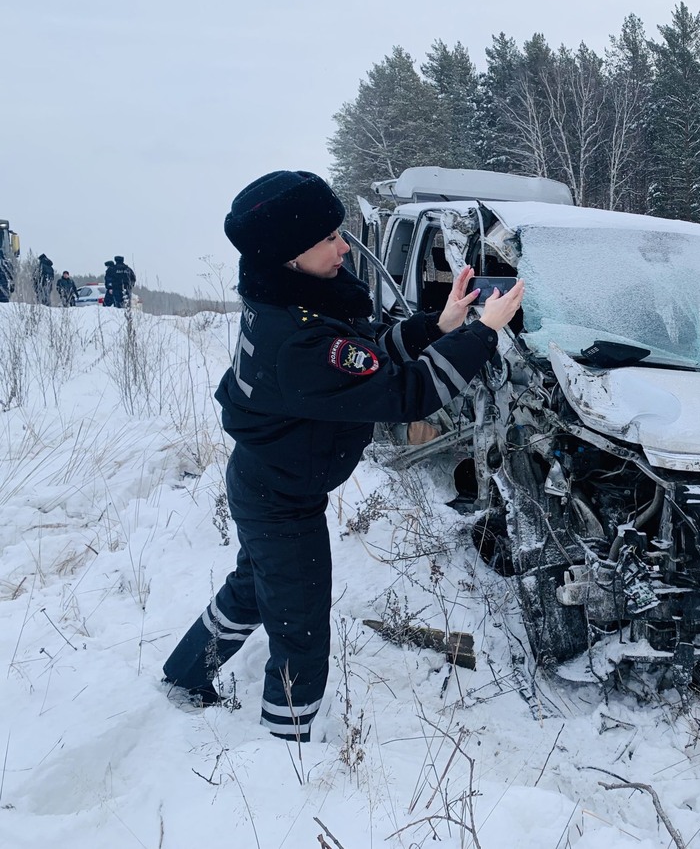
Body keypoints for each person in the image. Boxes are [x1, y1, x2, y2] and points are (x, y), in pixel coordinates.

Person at [161, 169, 524, 742]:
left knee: (254, 586)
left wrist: (440, 324)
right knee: (300, 629)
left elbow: (366, 352)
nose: (343, 247)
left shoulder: (291, 302)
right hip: (281, 500)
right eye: (328, 239)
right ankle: (286, 748)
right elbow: (407, 393)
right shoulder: (299, 340)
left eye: (339, 232)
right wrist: (482, 333)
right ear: (289, 255)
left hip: (268, 482)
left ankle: (185, 676)